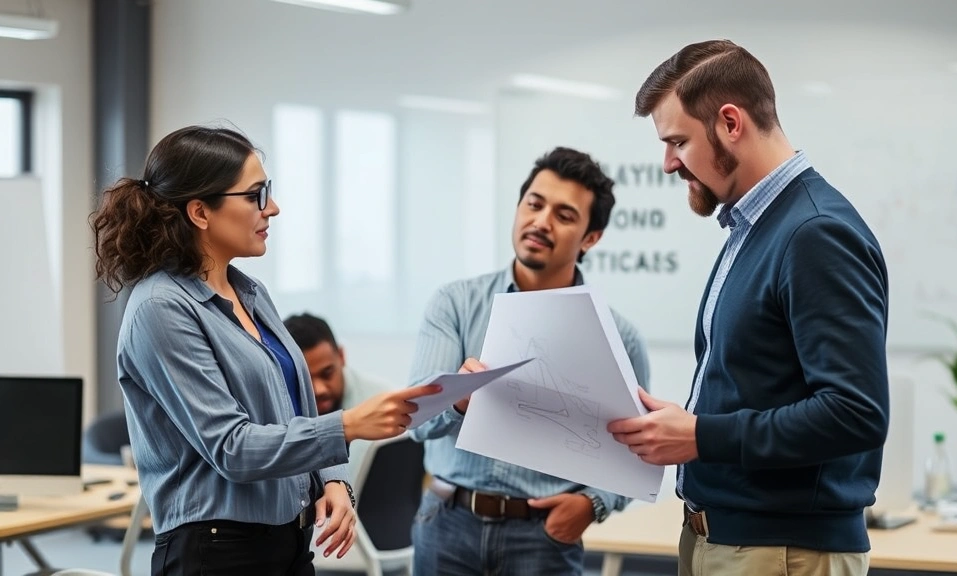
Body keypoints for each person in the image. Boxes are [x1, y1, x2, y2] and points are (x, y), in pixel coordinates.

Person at [91, 125, 440, 575]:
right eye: (256, 194)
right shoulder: (160, 309)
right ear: (200, 212)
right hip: (217, 553)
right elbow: (233, 447)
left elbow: (295, 406)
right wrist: (349, 426)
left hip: (287, 543)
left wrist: (332, 479)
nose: (271, 208)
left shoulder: (249, 292)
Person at [608, 40, 889, 576]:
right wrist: (682, 426)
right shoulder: (755, 226)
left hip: (780, 551)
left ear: (730, 123)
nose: (668, 163)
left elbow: (855, 413)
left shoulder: (815, 233)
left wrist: (699, 435)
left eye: (677, 142)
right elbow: (756, 385)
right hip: (729, 540)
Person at [407, 146, 651, 576]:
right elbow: (416, 422)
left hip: (543, 537)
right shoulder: (455, 303)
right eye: (534, 205)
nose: (541, 221)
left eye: (564, 215)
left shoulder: (621, 337)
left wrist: (592, 504)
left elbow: (638, 452)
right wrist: (459, 398)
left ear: (591, 238)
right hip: (447, 523)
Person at [284, 311, 393, 473]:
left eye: (327, 373)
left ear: (341, 356)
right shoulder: (275, 416)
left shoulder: (385, 402)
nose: (318, 389)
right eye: (304, 380)